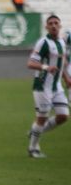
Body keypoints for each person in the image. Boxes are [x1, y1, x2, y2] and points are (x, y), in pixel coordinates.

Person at [27, 15, 70, 158]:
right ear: (46, 27)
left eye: (56, 23)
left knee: (63, 116)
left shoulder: (62, 43)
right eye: (50, 23)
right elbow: (30, 64)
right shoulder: (43, 42)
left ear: (60, 25)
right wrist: (46, 67)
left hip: (56, 86)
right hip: (42, 86)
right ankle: (33, 148)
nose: (53, 25)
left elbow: (61, 64)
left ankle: (35, 132)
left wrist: (67, 79)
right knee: (42, 118)